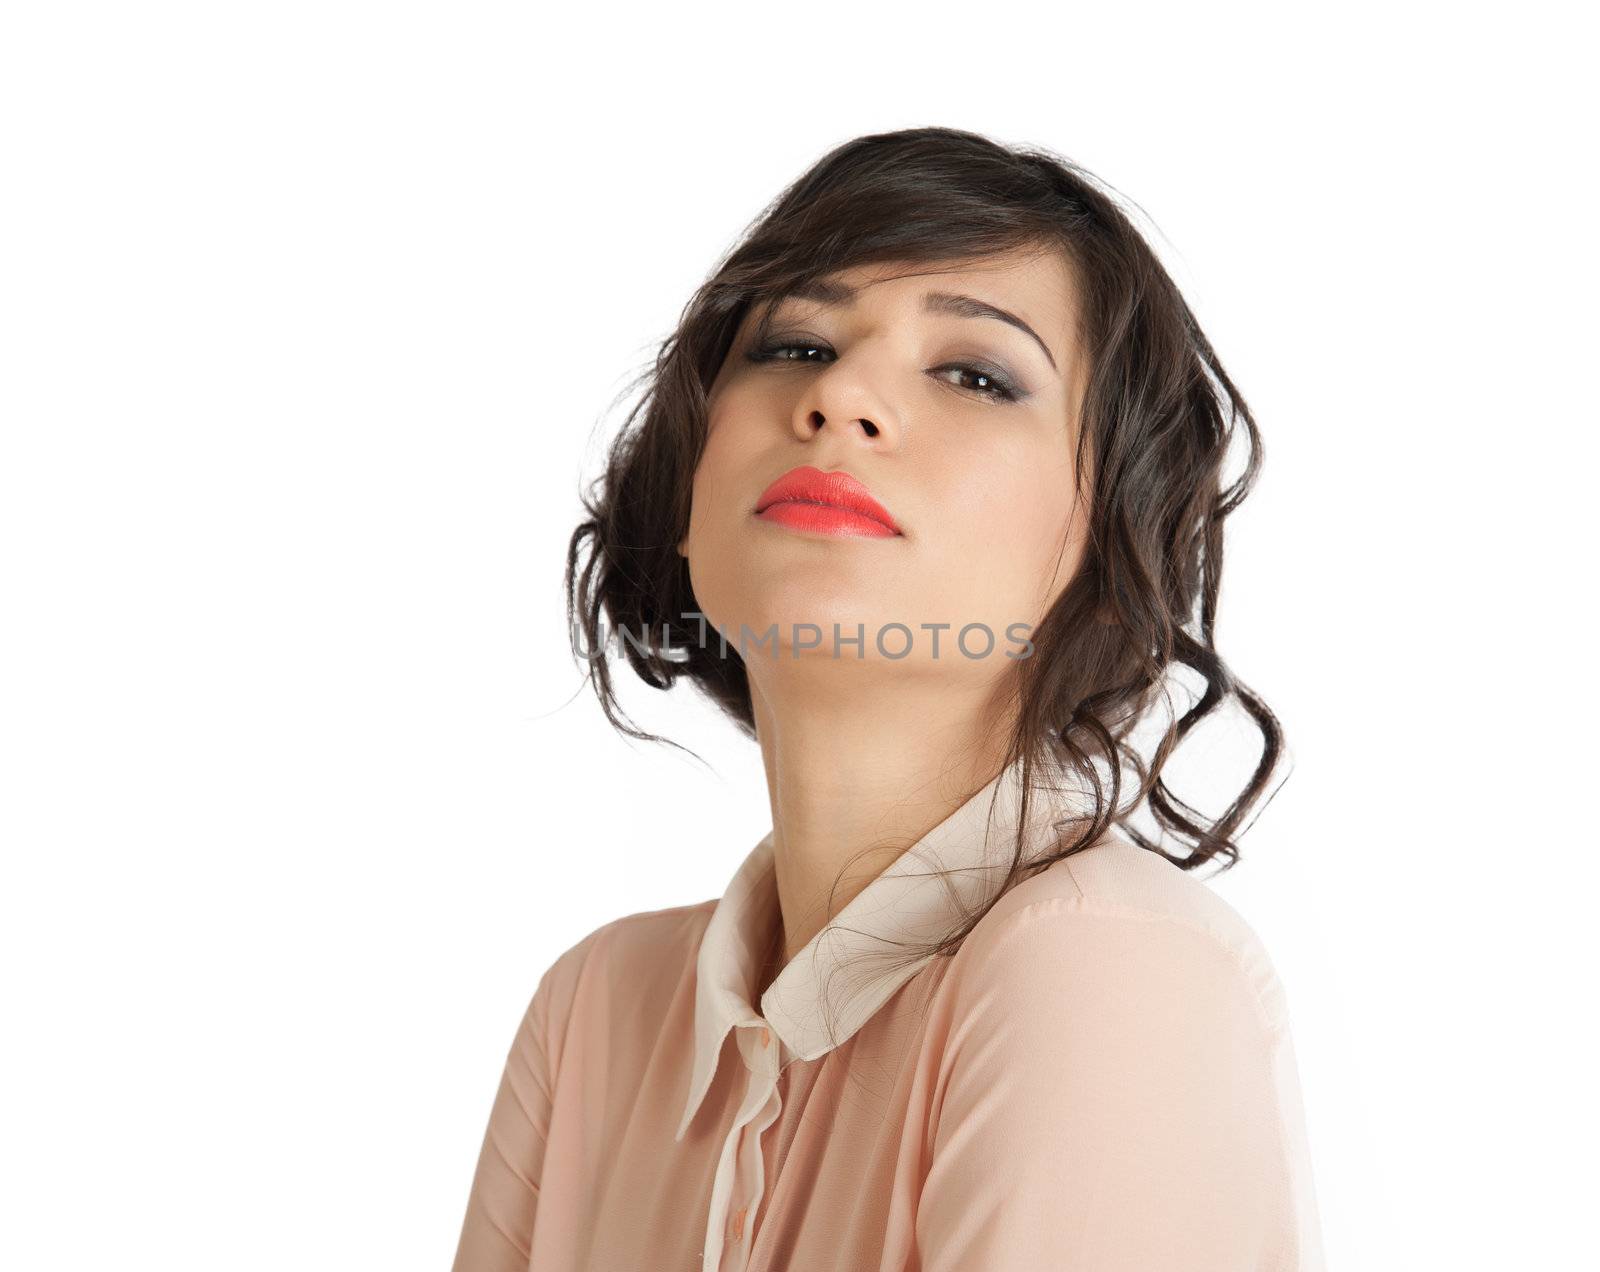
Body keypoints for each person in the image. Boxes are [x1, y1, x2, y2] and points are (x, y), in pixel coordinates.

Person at [449, 125, 1327, 1271]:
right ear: (690, 475)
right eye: (795, 344)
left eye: (975, 372)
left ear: (1109, 537)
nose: (843, 395)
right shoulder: (595, 1016)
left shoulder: (1106, 972)